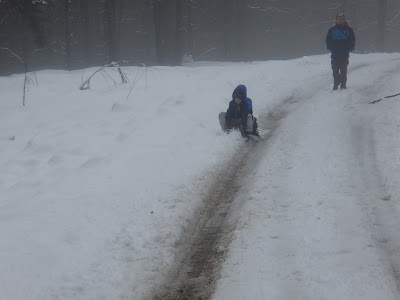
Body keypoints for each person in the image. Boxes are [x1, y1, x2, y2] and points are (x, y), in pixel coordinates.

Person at [326, 13, 356, 90]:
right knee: (335, 71)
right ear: (336, 20)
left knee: (343, 71)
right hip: (335, 54)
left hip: (344, 55)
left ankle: (343, 85)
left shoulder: (349, 30)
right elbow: (328, 41)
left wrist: (347, 49)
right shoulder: (332, 30)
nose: (340, 20)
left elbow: (352, 41)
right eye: (338, 19)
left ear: (344, 20)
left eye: (341, 19)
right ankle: (336, 84)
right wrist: (332, 49)